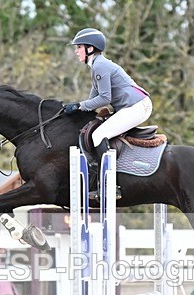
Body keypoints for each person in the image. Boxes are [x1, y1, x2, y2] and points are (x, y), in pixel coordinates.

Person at [64, 28, 152, 199]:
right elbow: (94, 98)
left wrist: (79, 106)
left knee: (98, 135)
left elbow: (104, 98)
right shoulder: (97, 65)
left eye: (79, 47)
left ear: (90, 48)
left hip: (137, 107)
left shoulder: (100, 66)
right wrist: (78, 108)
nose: (76, 51)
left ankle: (109, 185)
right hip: (133, 105)